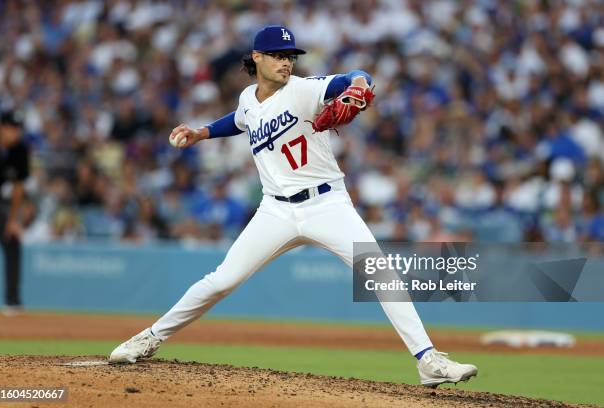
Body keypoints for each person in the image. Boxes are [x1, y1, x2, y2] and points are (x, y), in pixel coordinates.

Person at [109, 25, 477, 387]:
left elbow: (353, 76)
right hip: (275, 211)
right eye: (278, 56)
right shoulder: (247, 100)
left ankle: (427, 360)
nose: (286, 63)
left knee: (380, 273)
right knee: (221, 281)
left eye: (290, 56)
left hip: (327, 204)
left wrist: (360, 84)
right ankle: (149, 338)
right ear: (257, 57)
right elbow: (239, 121)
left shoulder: (304, 90)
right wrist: (203, 132)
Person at [0, 109, 29, 314]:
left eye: (18, 129)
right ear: (1, 128)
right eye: (12, 128)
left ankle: (12, 301)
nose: (16, 133)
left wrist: (13, 220)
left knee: (12, 240)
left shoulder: (20, 150)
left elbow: (18, 188)